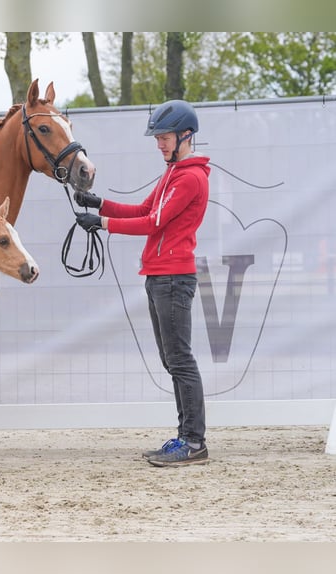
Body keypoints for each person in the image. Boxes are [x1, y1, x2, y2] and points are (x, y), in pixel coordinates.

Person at [74, 100, 210, 467]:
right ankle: (186, 437)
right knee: (172, 359)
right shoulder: (173, 173)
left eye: (164, 138)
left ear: (185, 136)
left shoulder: (190, 178)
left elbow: (153, 224)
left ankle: (193, 442)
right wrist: (100, 204)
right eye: (158, 138)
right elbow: (142, 211)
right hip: (159, 276)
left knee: (180, 359)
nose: (159, 144)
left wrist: (102, 225)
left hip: (172, 277)